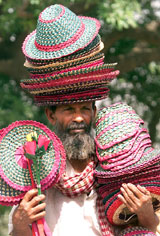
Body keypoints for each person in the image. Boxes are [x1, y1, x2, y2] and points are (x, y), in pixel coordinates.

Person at [8, 4, 160, 236]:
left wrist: (147, 215)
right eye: (68, 109)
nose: (79, 117)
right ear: (51, 115)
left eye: (84, 109)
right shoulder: (35, 173)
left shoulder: (117, 165)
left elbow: (147, 230)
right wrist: (20, 225)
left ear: (95, 112)